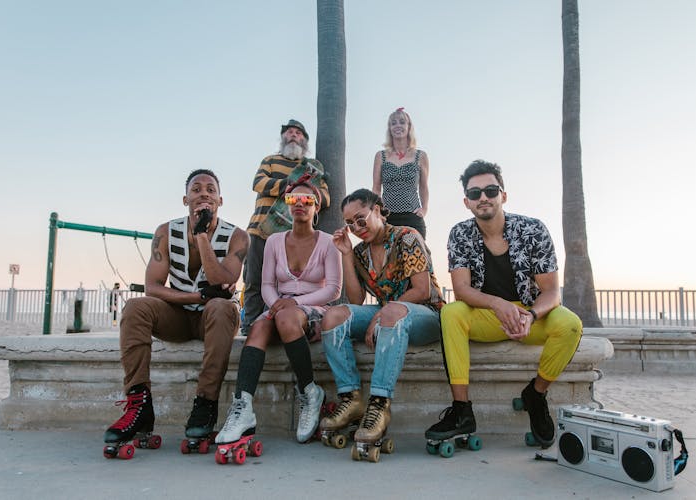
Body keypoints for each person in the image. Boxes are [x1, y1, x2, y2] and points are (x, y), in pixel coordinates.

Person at [424, 160, 583, 448]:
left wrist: (531, 316)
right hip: (487, 316)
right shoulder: (460, 234)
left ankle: (535, 394)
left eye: (490, 190)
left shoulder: (533, 229)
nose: (483, 197)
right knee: (451, 313)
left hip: (529, 316)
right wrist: (498, 304)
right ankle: (461, 411)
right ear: (467, 202)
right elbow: (461, 290)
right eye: (475, 194)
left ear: (503, 195)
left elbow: (551, 293)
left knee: (570, 325)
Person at [103, 169, 248, 450]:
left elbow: (224, 281)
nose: (203, 193)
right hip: (177, 317)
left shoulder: (238, 236)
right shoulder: (166, 232)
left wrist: (203, 237)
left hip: (214, 318)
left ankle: (205, 404)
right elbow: (153, 287)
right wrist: (196, 295)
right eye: (196, 189)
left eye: (210, 189)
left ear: (220, 199)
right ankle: (138, 405)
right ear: (185, 199)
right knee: (135, 307)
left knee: (221, 307)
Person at [215, 178, 342, 444]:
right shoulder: (273, 241)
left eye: (307, 200)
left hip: (313, 308)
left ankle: (309, 392)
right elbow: (266, 285)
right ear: (286, 204)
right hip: (279, 305)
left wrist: (295, 303)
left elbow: (333, 290)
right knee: (259, 327)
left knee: (285, 316)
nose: (299, 204)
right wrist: (274, 304)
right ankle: (243, 407)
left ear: (316, 207)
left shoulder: (329, 243)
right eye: (293, 199)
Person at [319, 188, 444, 453]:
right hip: (388, 317)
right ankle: (351, 397)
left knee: (390, 312)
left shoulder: (407, 237)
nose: (356, 227)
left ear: (377, 210)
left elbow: (422, 290)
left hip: (427, 315)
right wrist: (346, 254)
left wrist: (380, 314)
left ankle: (379, 404)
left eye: (361, 218)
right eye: (350, 223)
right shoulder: (361, 252)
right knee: (333, 316)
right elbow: (354, 298)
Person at [241, 119, 330, 335]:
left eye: (298, 133)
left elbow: (325, 197)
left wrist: (309, 190)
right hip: (260, 230)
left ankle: (274, 327)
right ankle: (249, 328)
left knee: (282, 285)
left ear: (305, 141)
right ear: (283, 138)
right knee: (254, 280)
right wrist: (295, 186)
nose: (293, 135)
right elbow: (259, 183)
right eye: (289, 132)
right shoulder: (270, 161)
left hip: (291, 237)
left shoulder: (313, 167)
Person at [372, 107, 430, 239]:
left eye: (402, 122)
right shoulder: (381, 156)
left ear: (409, 127)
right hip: (387, 218)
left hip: (412, 217)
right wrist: (377, 212)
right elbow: (376, 188)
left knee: (413, 258)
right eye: (393, 123)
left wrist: (424, 209)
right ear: (389, 129)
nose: (398, 126)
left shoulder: (421, 156)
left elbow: (423, 186)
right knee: (389, 258)